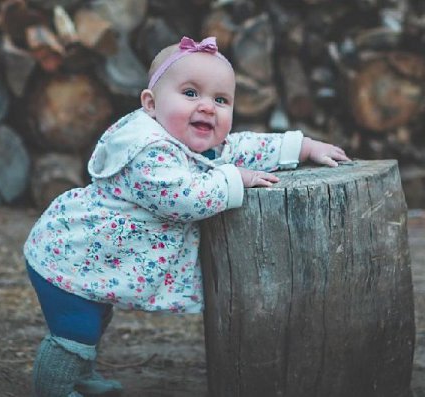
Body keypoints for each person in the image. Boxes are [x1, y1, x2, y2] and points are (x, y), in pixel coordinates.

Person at [23, 36, 350, 396]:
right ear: (151, 103)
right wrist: (232, 179)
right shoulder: (147, 150)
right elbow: (181, 198)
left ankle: (78, 377)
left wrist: (302, 146)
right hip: (69, 255)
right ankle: (53, 388)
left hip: (95, 260)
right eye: (191, 93)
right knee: (76, 328)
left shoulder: (188, 140)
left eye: (220, 100)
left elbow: (240, 146)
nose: (207, 107)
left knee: (97, 317)